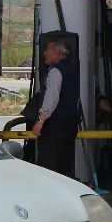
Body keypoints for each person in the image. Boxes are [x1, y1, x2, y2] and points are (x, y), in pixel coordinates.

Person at [34, 40, 79, 178]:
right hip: (70, 124)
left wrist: (41, 120)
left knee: (49, 168)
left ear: (57, 53)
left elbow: (51, 97)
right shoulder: (72, 69)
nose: (44, 53)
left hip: (55, 126)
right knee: (65, 166)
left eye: (47, 49)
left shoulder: (55, 71)